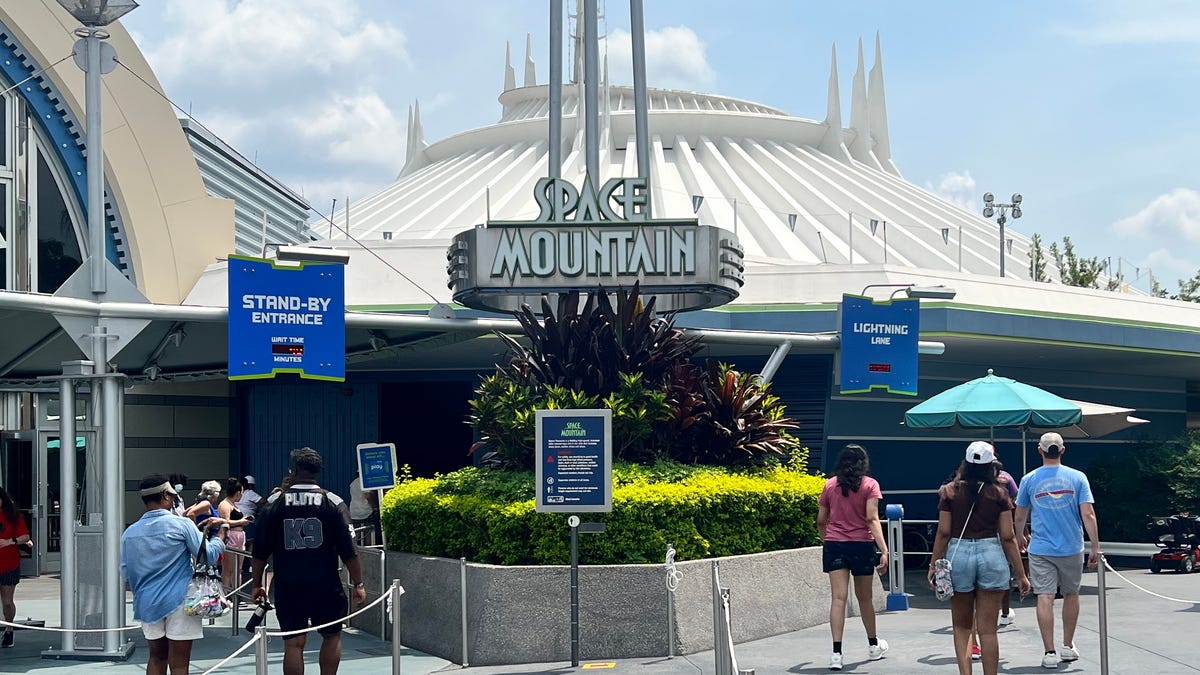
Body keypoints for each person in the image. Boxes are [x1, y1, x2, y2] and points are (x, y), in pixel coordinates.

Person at [252, 448, 366, 675]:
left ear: (293, 471)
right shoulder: (333, 502)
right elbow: (349, 551)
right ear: (317, 472)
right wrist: (358, 583)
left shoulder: (275, 502)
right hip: (326, 583)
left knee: (294, 642)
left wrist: (257, 583)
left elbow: (260, 550)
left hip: (289, 583)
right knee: (332, 635)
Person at [929, 441, 1031, 675]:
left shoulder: (949, 492)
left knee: (962, 626)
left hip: (959, 555)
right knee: (988, 630)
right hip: (992, 554)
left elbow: (944, 532)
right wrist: (1021, 574)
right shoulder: (1000, 493)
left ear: (965, 464)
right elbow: (1007, 537)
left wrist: (934, 564)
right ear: (990, 466)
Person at [121, 475, 226, 675]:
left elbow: (126, 570)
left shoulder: (130, 533)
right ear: (165, 496)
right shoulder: (182, 525)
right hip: (179, 599)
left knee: (156, 657)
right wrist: (221, 535)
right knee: (179, 664)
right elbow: (209, 555)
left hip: (147, 602)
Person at [1014, 432, 1100, 669]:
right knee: (1072, 594)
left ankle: (1049, 652)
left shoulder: (1029, 479)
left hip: (1041, 547)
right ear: (1063, 450)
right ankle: (1068, 645)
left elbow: (1020, 513)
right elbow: (1088, 514)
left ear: (1039, 450)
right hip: (1072, 546)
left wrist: (1020, 535)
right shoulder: (1078, 477)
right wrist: (1095, 545)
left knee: (1045, 596)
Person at [817, 443, 890, 671]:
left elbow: (821, 519)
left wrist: (826, 539)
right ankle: (872, 645)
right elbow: (872, 518)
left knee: (838, 599)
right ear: (863, 463)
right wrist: (884, 550)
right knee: (865, 598)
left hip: (835, 544)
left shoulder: (830, 485)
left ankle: (836, 654)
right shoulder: (870, 485)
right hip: (861, 545)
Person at [0, 486, 31, 648]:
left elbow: (25, 536)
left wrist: (9, 541)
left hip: (8, 564)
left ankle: (9, 628)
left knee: (7, 602)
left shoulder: (13, 516)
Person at [217, 477, 253, 592]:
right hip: (230, 537)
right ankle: (226, 594)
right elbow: (225, 521)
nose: (242, 495)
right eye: (242, 492)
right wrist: (241, 521)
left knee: (239, 568)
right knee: (228, 569)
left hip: (239, 537)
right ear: (238, 493)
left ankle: (237, 593)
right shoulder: (225, 505)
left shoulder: (234, 505)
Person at [347, 472, 379, 545]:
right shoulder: (365, 482)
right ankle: (369, 551)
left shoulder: (353, 483)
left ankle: (354, 549)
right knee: (368, 532)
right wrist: (374, 507)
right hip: (366, 510)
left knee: (356, 532)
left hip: (354, 510)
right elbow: (368, 496)